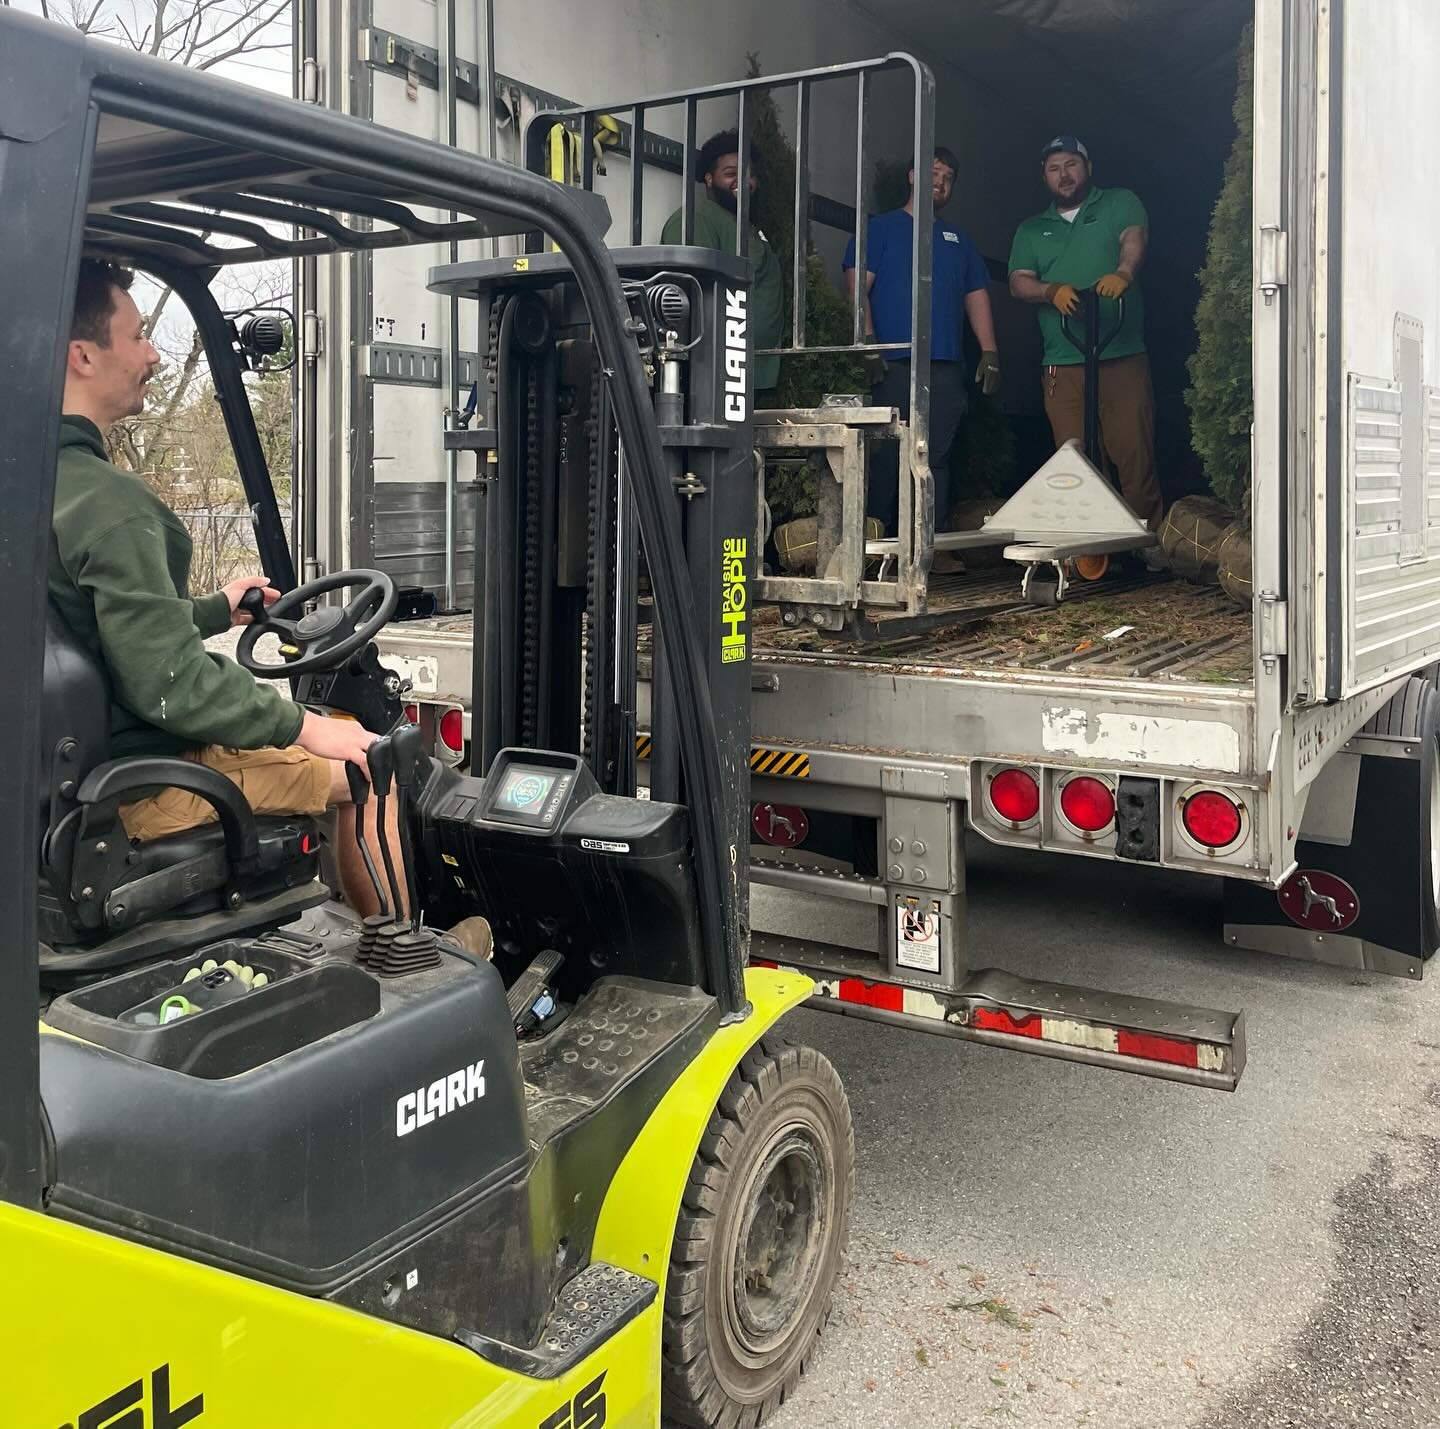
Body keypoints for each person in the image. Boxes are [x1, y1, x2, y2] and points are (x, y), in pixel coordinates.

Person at [52, 259, 401, 917]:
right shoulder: (110, 504)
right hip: (137, 785)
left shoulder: (37, 485)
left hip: (80, 775)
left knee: (333, 734)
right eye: (135, 336)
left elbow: (100, 626)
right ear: (82, 356)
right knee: (368, 764)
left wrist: (217, 609)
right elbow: (170, 683)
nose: (154, 352)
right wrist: (301, 725)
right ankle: (401, 954)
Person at [1008, 135, 1164, 533]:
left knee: (1131, 448)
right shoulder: (1031, 229)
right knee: (1074, 455)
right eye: (1054, 168)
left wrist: (1123, 272)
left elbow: (1134, 239)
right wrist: (1051, 291)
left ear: (1088, 168)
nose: (1064, 175)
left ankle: (1145, 541)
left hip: (1120, 350)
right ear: (1044, 177)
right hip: (1063, 357)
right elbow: (1018, 282)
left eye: (1071, 165)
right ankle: (1092, 542)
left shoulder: (1117, 202)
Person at [661, 129, 785, 403]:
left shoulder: (744, 225)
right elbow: (689, 291)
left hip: (750, 373)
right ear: (708, 178)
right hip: (719, 374)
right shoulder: (699, 218)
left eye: (749, 174)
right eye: (731, 172)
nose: (743, 180)